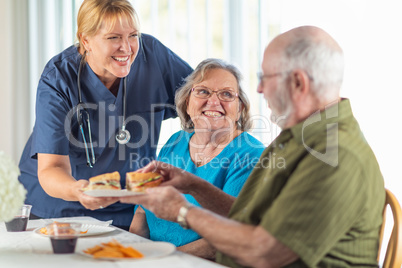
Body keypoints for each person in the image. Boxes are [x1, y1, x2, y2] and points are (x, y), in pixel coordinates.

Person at [120, 25, 385, 267]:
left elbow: (265, 252)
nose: (258, 89)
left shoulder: (332, 155)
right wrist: (192, 184)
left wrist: (182, 211)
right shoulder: (301, 137)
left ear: (298, 83)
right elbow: (248, 216)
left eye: (266, 77)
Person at [18, 0, 193, 230]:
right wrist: (77, 190)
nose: (127, 47)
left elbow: (200, 99)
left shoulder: (153, 57)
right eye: (113, 38)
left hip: (128, 206)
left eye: (133, 35)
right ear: (86, 40)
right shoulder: (59, 78)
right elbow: (52, 167)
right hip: (58, 207)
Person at [130, 58, 264, 259]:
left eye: (226, 94)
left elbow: (226, 239)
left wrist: (160, 261)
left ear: (240, 109)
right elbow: (142, 210)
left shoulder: (251, 155)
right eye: (203, 91)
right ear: (187, 102)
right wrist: (131, 253)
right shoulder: (175, 141)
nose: (213, 101)